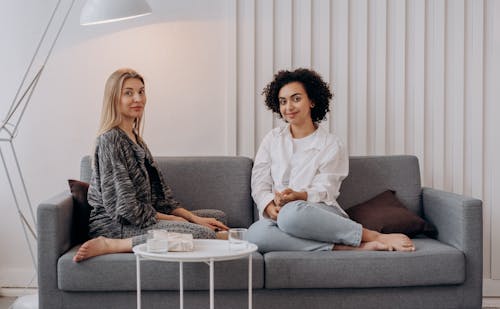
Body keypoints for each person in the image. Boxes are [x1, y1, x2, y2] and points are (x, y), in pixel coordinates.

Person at [246, 68, 415, 253]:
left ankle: (372, 236)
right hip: (279, 217)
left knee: (291, 214)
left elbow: (326, 190)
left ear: (311, 101)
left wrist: (299, 196)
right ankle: (341, 248)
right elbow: (259, 182)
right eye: (283, 101)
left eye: (296, 98)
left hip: (316, 212)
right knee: (255, 234)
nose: (289, 107)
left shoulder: (331, 144)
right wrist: (270, 207)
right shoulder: (272, 139)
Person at [73, 68, 228, 262]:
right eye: (128, 93)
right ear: (114, 98)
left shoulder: (136, 139)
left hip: (141, 218)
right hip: (116, 225)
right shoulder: (110, 140)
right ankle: (113, 244)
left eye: (141, 91)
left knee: (218, 219)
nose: (138, 98)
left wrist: (192, 218)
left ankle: (192, 231)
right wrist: (175, 220)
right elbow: (126, 209)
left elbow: (162, 199)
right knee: (205, 234)